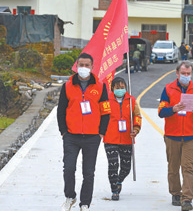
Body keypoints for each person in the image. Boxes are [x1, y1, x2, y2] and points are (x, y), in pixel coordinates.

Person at [57, 53, 111, 211]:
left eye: (87, 65)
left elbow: (106, 112)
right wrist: (63, 132)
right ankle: (70, 196)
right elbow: (61, 111)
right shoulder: (67, 86)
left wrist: (101, 133)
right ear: (76, 66)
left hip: (92, 137)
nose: (84, 68)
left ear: (92, 67)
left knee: (88, 172)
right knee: (68, 169)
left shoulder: (100, 87)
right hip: (71, 136)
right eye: (81, 65)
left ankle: (85, 203)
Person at [158, 61, 193, 211]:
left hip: (191, 136)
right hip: (172, 135)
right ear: (177, 73)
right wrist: (172, 109)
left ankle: (187, 199)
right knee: (173, 168)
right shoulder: (168, 89)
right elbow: (161, 112)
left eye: (188, 74)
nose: (186, 76)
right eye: (183, 73)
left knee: (188, 168)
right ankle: (175, 193)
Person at [103, 77, 142, 201]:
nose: (120, 90)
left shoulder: (131, 100)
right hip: (110, 138)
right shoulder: (106, 100)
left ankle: (119, 181)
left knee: (126, 168)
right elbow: (101, 116)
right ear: (112, 88)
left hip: (127, 138)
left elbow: (137, 115)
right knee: (113, 165)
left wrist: (135, 129)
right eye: (117, 88)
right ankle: (114, 190)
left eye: (122, 87)